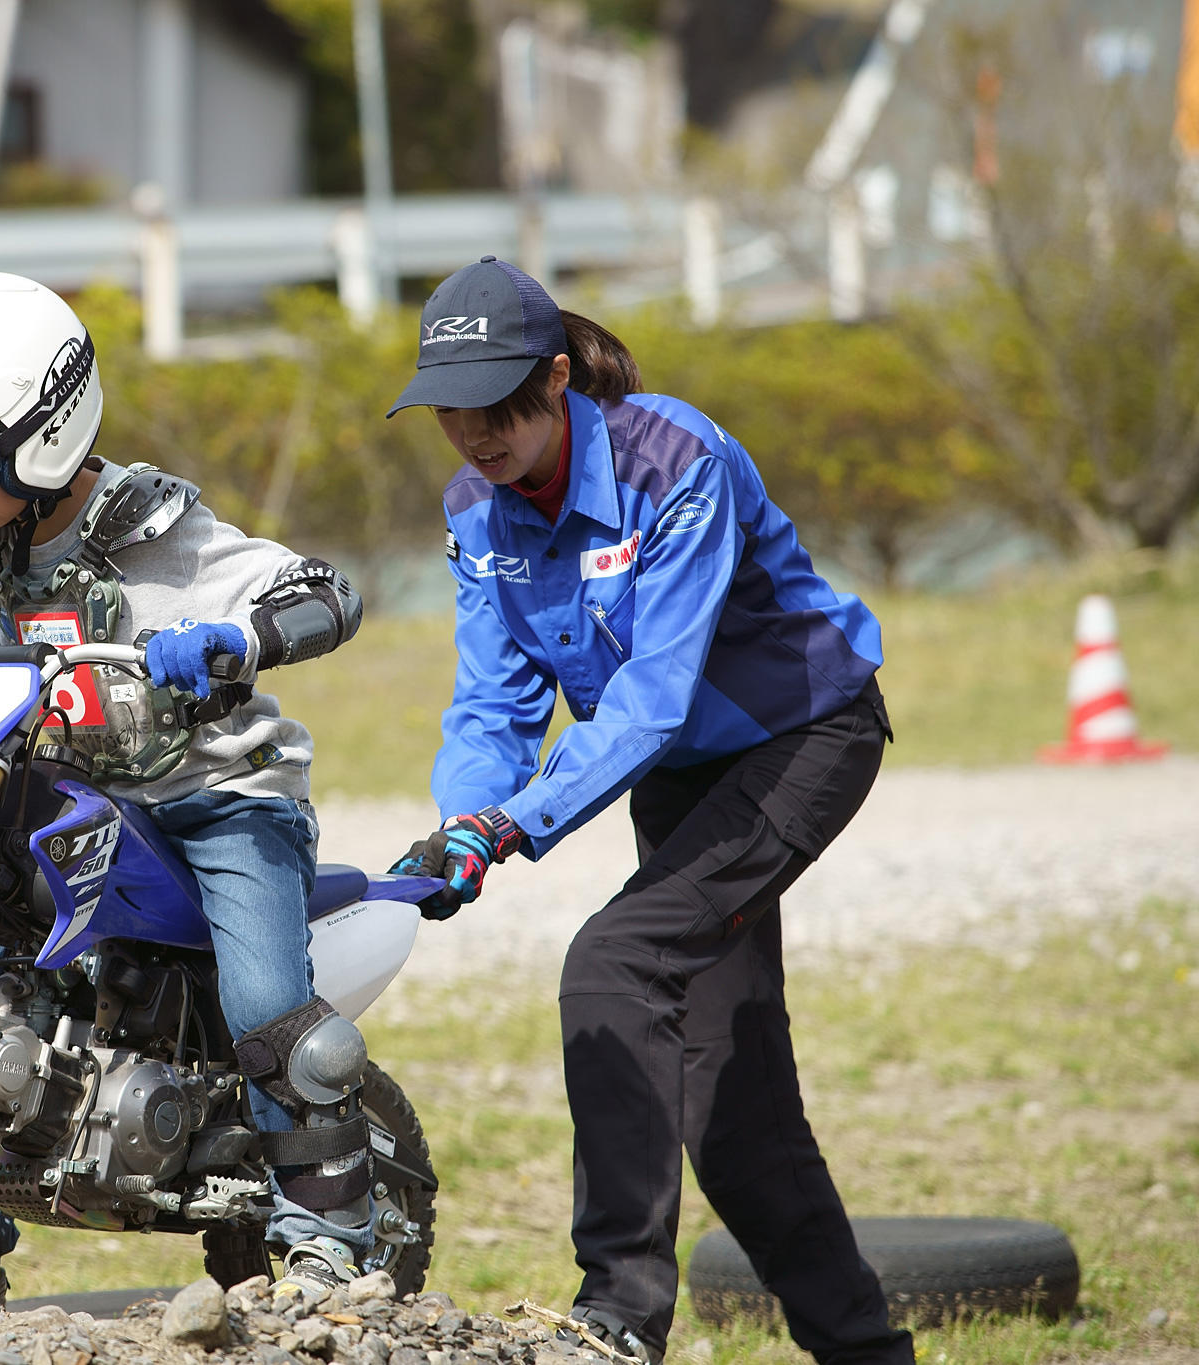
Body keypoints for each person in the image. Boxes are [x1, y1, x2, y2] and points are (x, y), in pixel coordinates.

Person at [386, 257, 911, 1365]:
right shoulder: (474, 509)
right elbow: (493, 696)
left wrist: (515, 826)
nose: (473, 435)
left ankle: (616, 1316)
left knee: (611, 964)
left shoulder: (675, 458)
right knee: (732, 1117)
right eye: (449, 412)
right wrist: (461, 824)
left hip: (800, 741)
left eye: (495, 406)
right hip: (683, 779)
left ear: (558, 378)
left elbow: (651, 696)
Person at [0, 271, 373, 1306]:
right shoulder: (9, 541)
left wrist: (235, 637)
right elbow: (43, 648)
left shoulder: (162, 529)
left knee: (261, 1005)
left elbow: (327, 592)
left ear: (44, 431)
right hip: (91, 804)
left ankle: (333, 1236)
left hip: (221, 801)